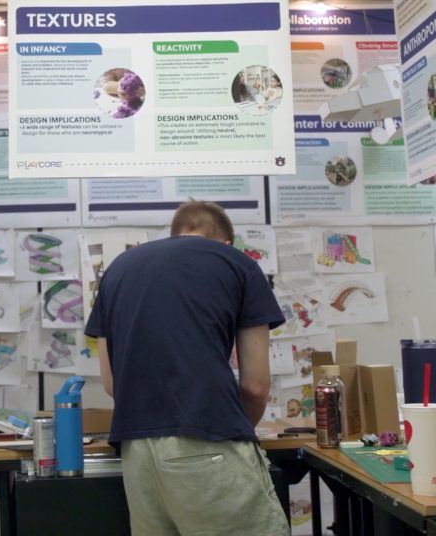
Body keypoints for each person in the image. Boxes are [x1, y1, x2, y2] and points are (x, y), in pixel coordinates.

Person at [84, 200, 288, 536]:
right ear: (226, 243)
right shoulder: (237, 264)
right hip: (209, 444)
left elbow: (111, 383)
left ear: (175, 234)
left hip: (137, 456)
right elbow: (255, 386)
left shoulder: (118, 270)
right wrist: (233, 427)